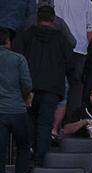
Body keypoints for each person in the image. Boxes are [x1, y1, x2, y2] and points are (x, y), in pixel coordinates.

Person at [12, 5, 72, 163]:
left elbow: (17, 57)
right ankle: (40, 162)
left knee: (29, 123)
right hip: (52, 89)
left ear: (37, 18)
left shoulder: (27, 35)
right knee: (45, 125)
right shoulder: (60, 38)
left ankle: (26, 158)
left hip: (29, 89)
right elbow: (70, 63)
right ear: (53, 19)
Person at [0, 27, 33, 173]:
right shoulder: (18, 58)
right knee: (23, 148)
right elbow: (27, 83)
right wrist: (25, 96)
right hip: (17, 110)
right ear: (8, 41)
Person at [53, 0, 92, 113]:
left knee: (74, 84)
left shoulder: (85, 1)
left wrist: (84, 43)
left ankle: (71, 119)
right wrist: (84, 43)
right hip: (61, 50)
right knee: (70, 84)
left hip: (73, 51)